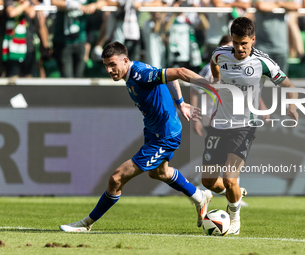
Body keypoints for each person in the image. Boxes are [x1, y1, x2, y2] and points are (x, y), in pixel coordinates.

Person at [59, 41, 213, 232]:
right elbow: (168, 75)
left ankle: (86, 224)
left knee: (116, 178)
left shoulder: (141, 75)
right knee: (159, 172)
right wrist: (180, 102)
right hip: (153, 131)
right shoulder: (136, 71)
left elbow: (180, 71)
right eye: (106, 65)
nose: (109, 70)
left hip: (164, 136)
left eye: (113, 64)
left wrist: (211, 87)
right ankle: (199, 196)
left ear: (125, 60)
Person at [201, 17, 299, 235]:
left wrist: (292, 105)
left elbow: (289, 85)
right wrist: (216, 81)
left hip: (245, 126)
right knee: (208, 181)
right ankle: (236, 191)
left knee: (228, 177)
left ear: (253, 40)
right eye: (236, 43)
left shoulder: (264, 63)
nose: (239, 48)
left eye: (244, 43)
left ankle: (234, 220)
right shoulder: (220, 53)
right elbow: (214, 64)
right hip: (219, 123)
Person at [254, 0, 301, 74]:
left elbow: (296, 6)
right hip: (263, 48)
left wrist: (279, 3)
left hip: (281, 49)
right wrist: (281, 5)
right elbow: (261, 6)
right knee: (260, 80)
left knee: (282, 81)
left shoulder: (281, 1)